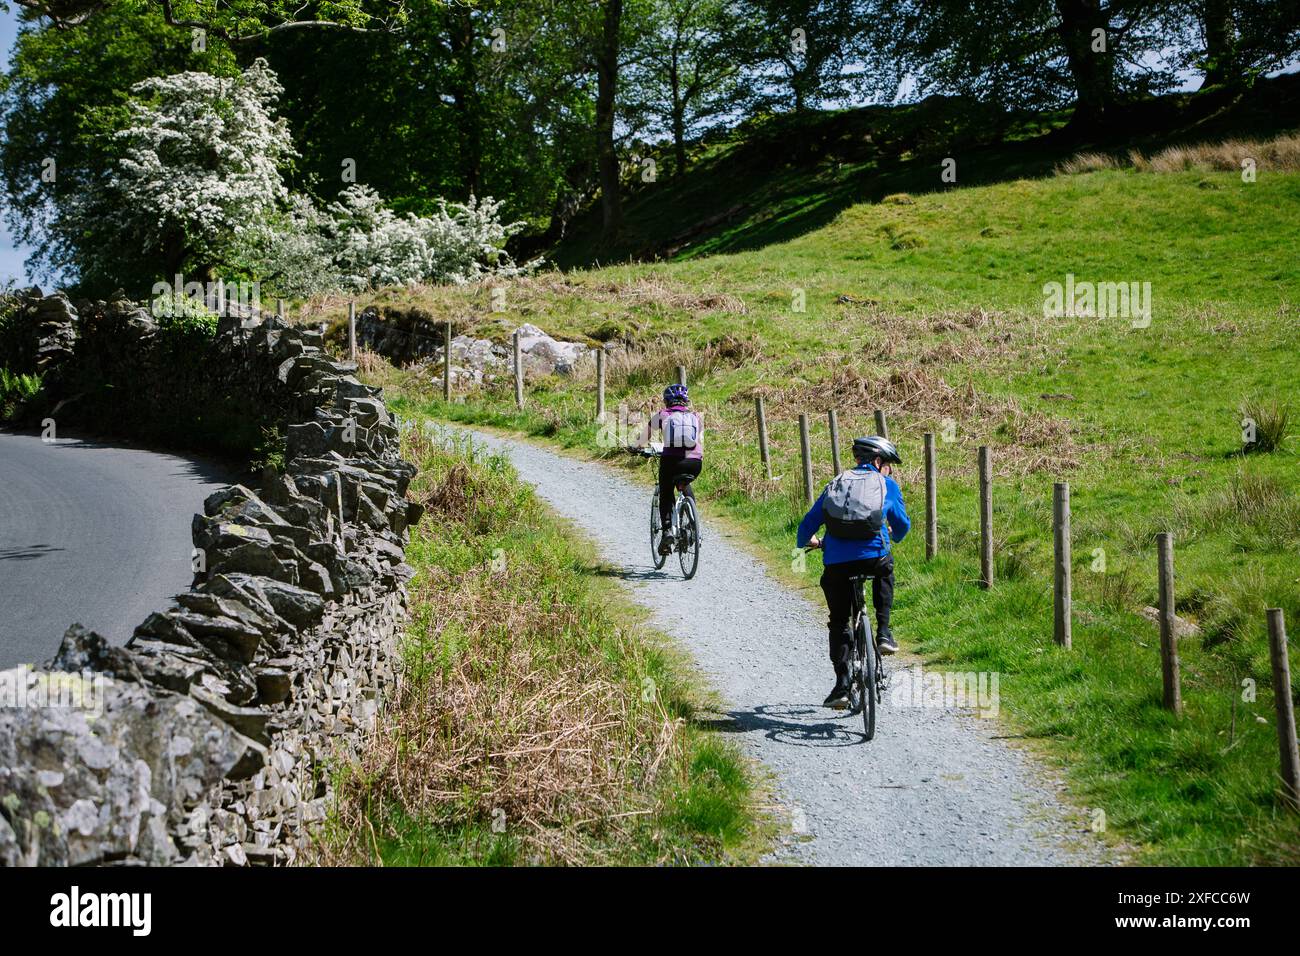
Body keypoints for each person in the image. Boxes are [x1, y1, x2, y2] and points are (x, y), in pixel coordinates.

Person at [797, 435, 910, 708]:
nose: (890, 470)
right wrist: (892, 534)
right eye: (888, 464)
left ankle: (842, 685)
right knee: (885, 570)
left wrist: (811, 542)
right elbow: (902, 527)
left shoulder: (835, 484)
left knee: (838, 621)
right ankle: (883, 633)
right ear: (878, 461)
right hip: (873, 558)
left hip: (836, 563)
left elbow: (804, 529)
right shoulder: (887, 485)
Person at [643, 384, 703, 555]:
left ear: (667, 401)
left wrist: (636, 448)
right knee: (684, 482)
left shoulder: (663, 415)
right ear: (686, 401)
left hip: (671, 461)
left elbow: (643, 438)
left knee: (666, 491)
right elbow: (698, 440)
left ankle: (668, 530)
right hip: (694, 463)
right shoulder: (696, 417)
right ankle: (692, 524)